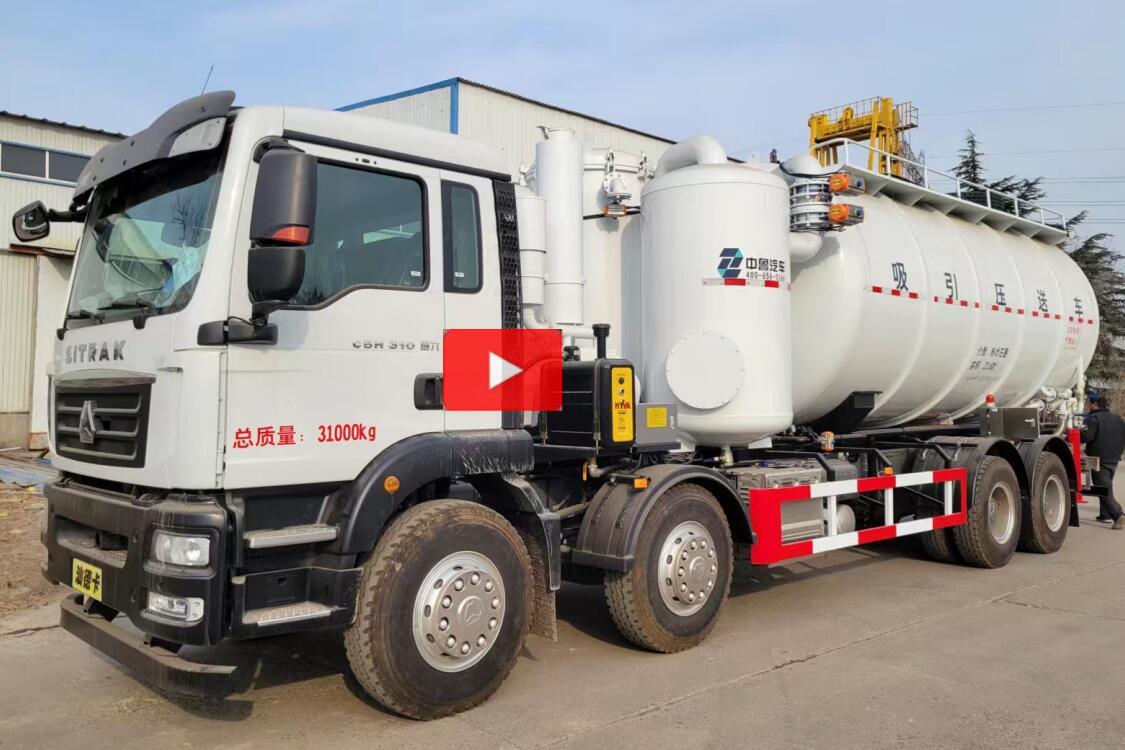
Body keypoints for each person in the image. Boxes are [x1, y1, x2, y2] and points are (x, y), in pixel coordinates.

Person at [1082, 392, 1125, 529]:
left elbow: (1087, 437)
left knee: (1101, 488)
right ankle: (1105, 514)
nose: (1088, 406)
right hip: (1114, 457)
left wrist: (1077, 431)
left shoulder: (1093, 418)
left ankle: (1118, 515)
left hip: (1097, 458)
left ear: (1094, 404)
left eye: (1090, 403)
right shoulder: (1117, 418)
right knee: (1106, 485)